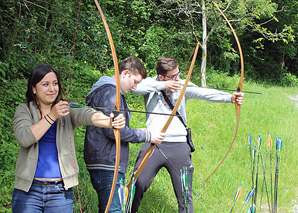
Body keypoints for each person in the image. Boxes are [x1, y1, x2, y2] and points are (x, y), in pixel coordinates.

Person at [131, 56, 244, 213]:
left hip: (179, 146)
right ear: (162, 76)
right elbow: (135, 88)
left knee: (185, 194)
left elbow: (204, 93)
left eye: (178, 74)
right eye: (173, 76)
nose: (177, 78)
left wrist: (230, 98)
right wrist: (163, 85)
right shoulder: (150, 85)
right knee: (137, 184)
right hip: (153, 144)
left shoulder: (182, 86)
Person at [12, 64, 125, 213]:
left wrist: (110, 121)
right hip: (28, 191)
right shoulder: (24, 110)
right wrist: (52, 116)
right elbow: (25, 138)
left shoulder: (67, 109)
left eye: (55, 83)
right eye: (45, 84)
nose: (52, 89)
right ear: (34, 88)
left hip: (60, 192)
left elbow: (87, 115)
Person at [84, 56, 165, 212]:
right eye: (135, 81)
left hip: (106, 161)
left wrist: (138, 131)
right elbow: (114, 130)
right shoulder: (111, 92)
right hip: (108, 163)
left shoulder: (110, 92)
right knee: (113, 210)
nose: (135, 87)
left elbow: (114, 126)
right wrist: (147, 136)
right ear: (126, 73)